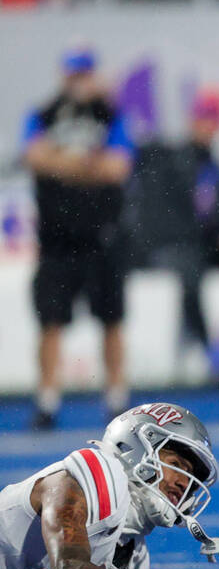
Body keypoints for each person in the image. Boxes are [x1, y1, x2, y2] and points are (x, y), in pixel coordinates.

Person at [0, 403, 219, 569]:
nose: (183, 484)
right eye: (175, 463)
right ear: (135, 451)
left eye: (190, 478)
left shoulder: (134, 561)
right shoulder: (94, 475)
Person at [22, 47, 133, 431]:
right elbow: (34, 157)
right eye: (74, 73)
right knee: (50, 320)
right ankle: (47, 400)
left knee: (111, 319)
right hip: (56, 237)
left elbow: (118, 166)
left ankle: (116, 398)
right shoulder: (44, 113)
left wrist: (64, 164)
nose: (80, 80)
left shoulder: (110, 113)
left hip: (101, 234)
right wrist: (85, 164)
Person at [128, 87, 219, 380]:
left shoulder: (217, 166)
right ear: (192, 119)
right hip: (174, 246)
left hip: (208, 246)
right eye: (203, 117)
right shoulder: (167, 159)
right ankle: (209, 352)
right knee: (189, 269)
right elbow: (172, 215)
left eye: (213, 119)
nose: (208, 126)